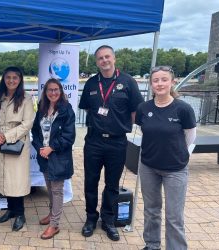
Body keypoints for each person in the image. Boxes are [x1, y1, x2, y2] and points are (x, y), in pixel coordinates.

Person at [78, 45, 144, 241]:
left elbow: (135, 112)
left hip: (117, 142)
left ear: (114, 59)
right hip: (94, 142)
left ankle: (108, 219)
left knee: (112, 184)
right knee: (90, 181)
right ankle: (91, 218)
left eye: (107, 57)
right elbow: (88, 110)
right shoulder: (91, 83)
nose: (104, 61)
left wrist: (118, 126)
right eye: (100, 58)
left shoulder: (128, 82)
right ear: (97, 61)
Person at [135, 66, 196, 250]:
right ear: (151, 83)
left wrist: (176, 153)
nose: (159, 84)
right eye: (156, 80)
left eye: (164, 79)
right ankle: (152, 244)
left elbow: (190, 137)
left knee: (174, 216)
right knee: (151, 210)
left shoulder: (183, 109)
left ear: (172, 82)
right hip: (148, 166)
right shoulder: (143, 108)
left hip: (175, 169)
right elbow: (142, 131)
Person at [0, 66, 35, 231]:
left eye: (15, 77)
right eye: (8, 77)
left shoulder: (27, 99)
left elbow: (27, 124)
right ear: (4, 79)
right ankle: (11, 210)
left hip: (17, 143)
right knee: (4, 179)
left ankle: (20, 213)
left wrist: (6, 136)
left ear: (20, 79)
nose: (11, 80)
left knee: (17, 180)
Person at [31, 78, 75, 239]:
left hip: (59, 157)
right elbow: (35, 132)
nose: (53, 92)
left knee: (57, 191)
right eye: (50, 90)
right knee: (49, 188)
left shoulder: (66, 110)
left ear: (61, 91)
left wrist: (51, 148)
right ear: (46, 92)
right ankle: (51, 214)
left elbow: (69, 136)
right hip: (44, 156)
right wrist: (40, 149)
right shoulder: (42, 109)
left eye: (56, 89)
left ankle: (54, 224)